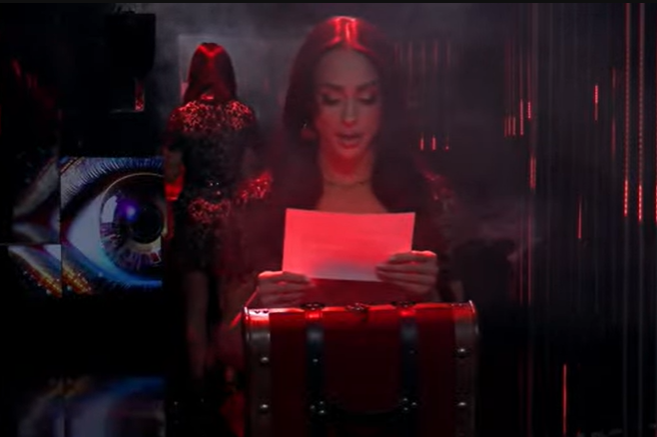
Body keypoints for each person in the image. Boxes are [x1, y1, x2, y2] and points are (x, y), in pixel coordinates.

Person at [212, 16, 464, 436]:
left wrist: (431, 296)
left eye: (366, 99)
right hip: (295, 418)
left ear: (386, 106)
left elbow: (462, 351)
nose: (350, 117)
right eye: (332, 99)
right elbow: (227, 349)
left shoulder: (429, 201)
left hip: (399, 417)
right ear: (309, 107)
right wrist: (259, 308)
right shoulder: (261, 203)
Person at [162, 42, 261, 390]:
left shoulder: (182, 117)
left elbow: (171, 173)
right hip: (231, 214)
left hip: (194, 212)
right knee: (229, 305)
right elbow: (251, 173)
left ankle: (198, 383)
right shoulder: (242, 115)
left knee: (196, 308)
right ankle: (231, 380)